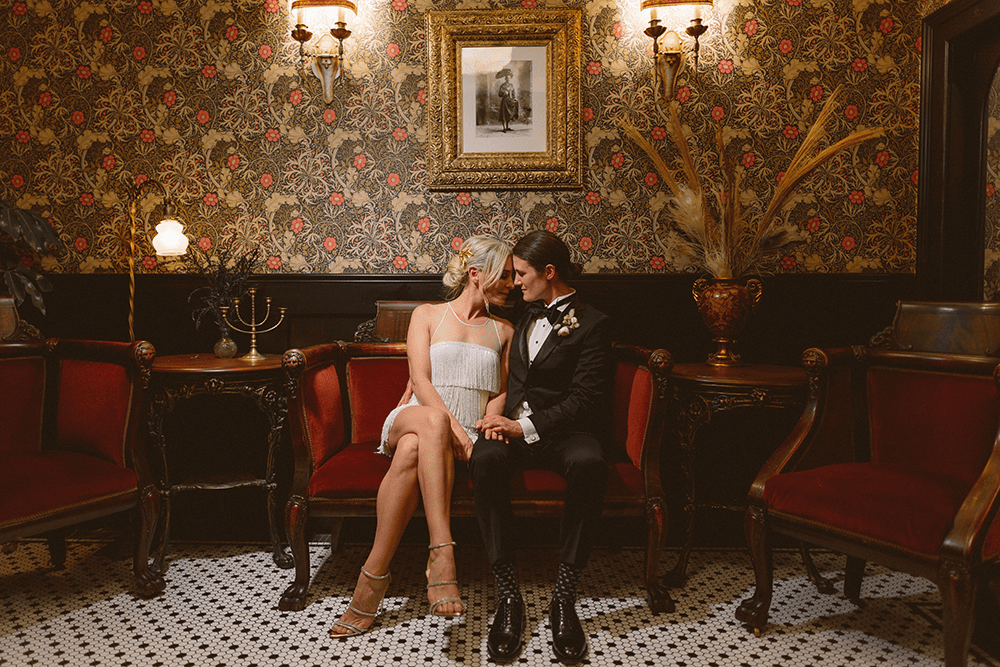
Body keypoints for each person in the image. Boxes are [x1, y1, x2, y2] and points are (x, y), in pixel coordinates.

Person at [329, 236, 515, 638]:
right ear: (476, 273)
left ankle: (372, 579)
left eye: (514, 276)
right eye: (504, 275)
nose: (512, 284)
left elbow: (501, 391)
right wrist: (457, 434)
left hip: (460, 432)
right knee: (429, 424)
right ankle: (442, 553)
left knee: (415, 449)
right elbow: (420, 380)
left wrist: (485, 424)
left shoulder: (505, 330)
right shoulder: (427, 314)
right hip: (413, 417)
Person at [470, 230, 614, 664]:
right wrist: (502, 421)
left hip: (565, 430)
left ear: (548, 272)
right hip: (513, 426)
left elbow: (585, 399)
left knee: (590, 463)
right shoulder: (523, 312)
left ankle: (564, 598)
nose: (514, 283)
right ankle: (508, 597)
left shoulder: (594, 323)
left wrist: (524, 427)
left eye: (521, 274)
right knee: (484, 457)